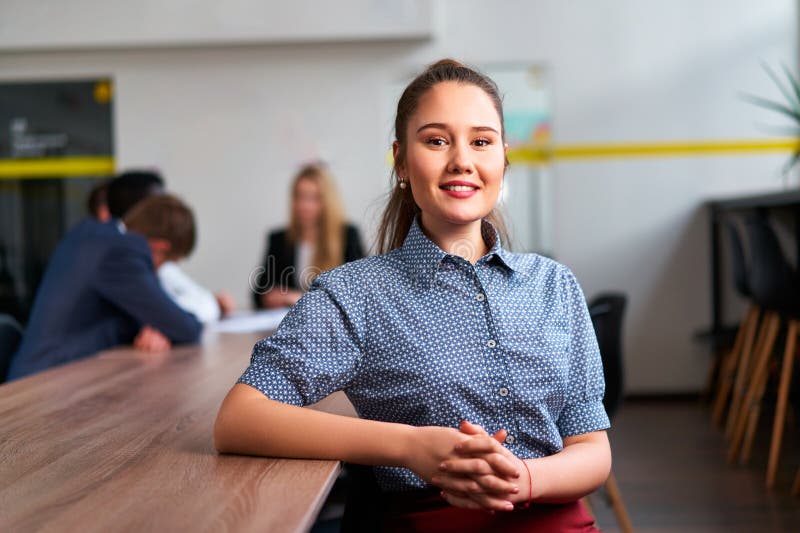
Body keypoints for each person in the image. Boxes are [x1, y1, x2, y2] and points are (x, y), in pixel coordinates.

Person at [215, 59, 610, 532]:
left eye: (481, 141)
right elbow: (238, 419)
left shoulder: (555, 285)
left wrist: (523, 478)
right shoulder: (354, 293)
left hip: (555, 518)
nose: (461, 159)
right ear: (401, 160)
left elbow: (592, 450)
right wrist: (410, 447)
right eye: (437, 140)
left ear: (503, 157)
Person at [7, 194, 203, 381]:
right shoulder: (121, 252)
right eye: (168, 262)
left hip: (42, 373)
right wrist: (161, 324)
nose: (158, 270)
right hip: (44, 384)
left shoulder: (90, 231)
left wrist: (151, 325)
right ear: (161, 246)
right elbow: (185, 327)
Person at [92, 170, 235, 323]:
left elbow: (195, 302)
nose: (165, 209)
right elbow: (173, 316)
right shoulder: (120, 256)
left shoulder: (149, 255)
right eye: (158, 203)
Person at [252, 163, 365, 309]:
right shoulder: (279, 239)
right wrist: (270, 296)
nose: (304, 205)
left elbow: (359, 291)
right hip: (288, 324)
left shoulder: (347, 236)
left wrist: (299, 298)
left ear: (327, 201)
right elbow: (259, 292)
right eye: (299, 196)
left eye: (314, 198)